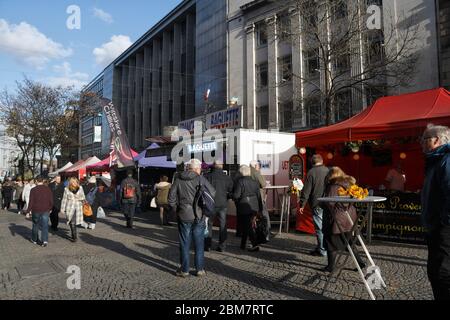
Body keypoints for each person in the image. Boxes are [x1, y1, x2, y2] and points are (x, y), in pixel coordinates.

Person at [168, 159, 216, 277]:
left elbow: (171, 199)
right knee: (199, 243)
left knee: (185, 243)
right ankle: (199, 269)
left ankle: (184, 270)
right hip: (199, 214)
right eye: (199, 168)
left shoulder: (178, 179)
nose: (200, 170)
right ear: (196, 169)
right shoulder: (201, 179)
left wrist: (177, 210)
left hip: (184, 214)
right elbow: (213, 193)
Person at [420, 124, 450, 300]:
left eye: (424, 139)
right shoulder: (437, 160)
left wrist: (445, 224)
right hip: (437, 226)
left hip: (444, 228)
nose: (421, 144)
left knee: (442, 273)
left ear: (436, 140)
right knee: (437, 272)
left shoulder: (446, 160)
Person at [322, 167, 366, 272]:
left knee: (331, 243)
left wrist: (320, 204)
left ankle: (331, 267)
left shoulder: (333, 186)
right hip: (349, 217)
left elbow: (329, 202)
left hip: (337, 219)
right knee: (349, 242)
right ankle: (360, 263)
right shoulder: (350, 184)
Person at [299, 154, 330, 257]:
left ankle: (322, 249)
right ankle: (323, 247)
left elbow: (306, 190)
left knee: (319, 228)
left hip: (316, 204)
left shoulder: (311, 172)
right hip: (328, 203)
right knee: (326, 227)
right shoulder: (328, 171)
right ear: (322, 160)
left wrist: (302, 204)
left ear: (312, 162)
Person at [233, 165, 264, 252]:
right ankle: (243, 245)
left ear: (241, 172)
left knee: (247, 225)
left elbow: (236, 195)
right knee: (247, 225)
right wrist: (260, 209)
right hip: (254, 206)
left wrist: (233, 197)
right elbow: (259, 196)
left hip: (244, 206)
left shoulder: (240, 181)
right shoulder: (255, 182)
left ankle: (255, 243)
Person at [205, 160, 233, 252]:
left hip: (210, 203)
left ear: (214, 166)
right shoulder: (227, 177)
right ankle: (222, 246)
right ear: (222, 166)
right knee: (223, 225)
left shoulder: (208, 176)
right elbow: (231, 190)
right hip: (222, 204)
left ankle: (207, 245)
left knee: (209, 224)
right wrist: (226, 197)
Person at [24, 176, 53, 247]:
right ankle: (45, 240)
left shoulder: (33, 190)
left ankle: (34, 239)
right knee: (45, 225)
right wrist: (50, 208)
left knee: (35, 225)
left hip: (36, 210)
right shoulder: (48, 189)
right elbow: (51, 200)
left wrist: (28, 211)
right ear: (42, 181)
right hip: (45, 210)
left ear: (36, 181)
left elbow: (31, 202)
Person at [60, 177, 87, 242]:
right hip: (70, 207)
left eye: (75, 182)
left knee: (74, 222)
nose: (74, 183)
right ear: (70, 182)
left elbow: (83, 197)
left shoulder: (80, 188)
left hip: (78, 207)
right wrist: (62, 209)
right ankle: (74, 236)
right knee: (71, 222)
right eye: (73, 182)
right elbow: (64, 199)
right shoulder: (66, 189)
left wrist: (79, 197)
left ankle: (74, 236)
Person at [249, 160, 271, 240]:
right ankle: (267, 230)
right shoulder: (256, 172)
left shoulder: (247, 171)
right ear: (255, 166)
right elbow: (263, 184)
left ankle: (253, 231)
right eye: (258, 165)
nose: (259, 167)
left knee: (252, 215)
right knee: (264, 213)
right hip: (258, 196)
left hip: (249, 198)